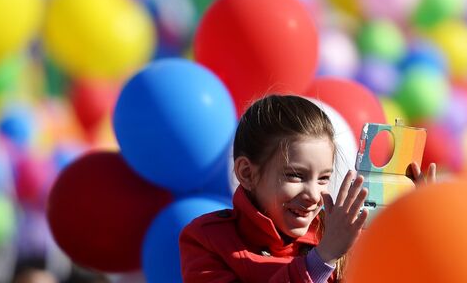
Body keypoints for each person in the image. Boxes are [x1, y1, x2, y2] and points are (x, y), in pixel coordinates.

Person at [179, 95, 435, 282]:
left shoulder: (343, 235)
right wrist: (321, 261)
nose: (314, 195)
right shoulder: (207, 240)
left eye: (324, 178)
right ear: (247, 173)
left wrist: (418, 232)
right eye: (295, 175)